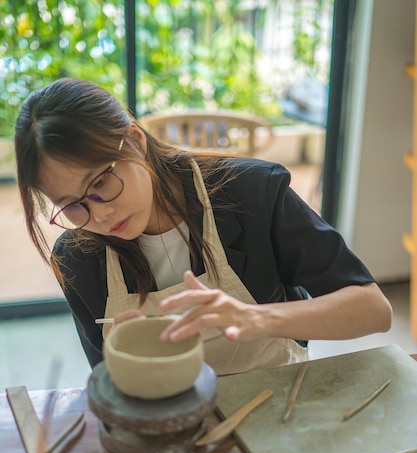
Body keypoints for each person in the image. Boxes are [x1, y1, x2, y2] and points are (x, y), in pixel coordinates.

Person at [14, 77, 392, 376]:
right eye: (72, 206)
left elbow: (373, 310)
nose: (100, 216)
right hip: (172, 428)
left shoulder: (250, 193)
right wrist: (128, 359)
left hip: (279, 410)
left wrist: (254, 318)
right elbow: (107, 380)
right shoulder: (78, 257)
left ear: (134, 141)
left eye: (100, 183)